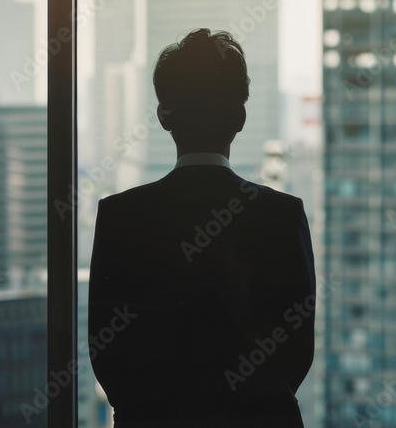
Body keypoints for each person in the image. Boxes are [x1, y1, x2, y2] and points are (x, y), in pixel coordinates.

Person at [88, 28, 316, 427]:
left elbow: (107, 353)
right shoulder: (282, 215)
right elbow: (296, 352)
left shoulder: (120, 216)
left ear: (164, 115)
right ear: (240, 117)